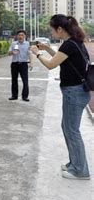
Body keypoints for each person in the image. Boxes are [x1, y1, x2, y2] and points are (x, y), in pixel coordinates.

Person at [30, 14, 90, 180]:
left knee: (72, 131)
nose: (52, 32)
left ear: (60, 29)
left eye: (52, 29)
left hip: (74, 93)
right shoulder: (73, 42)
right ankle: (75, 163)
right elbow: (61, 57)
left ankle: (80, 170)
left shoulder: (69, 45)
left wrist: (36, 53)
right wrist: (47, 49)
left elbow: (51, 64)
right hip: (77, 91)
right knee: (67, 128)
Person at [8, 30, 33, 101]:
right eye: (19, 35)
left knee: (25, 81)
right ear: (17, 36)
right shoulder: (14, 44)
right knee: (14, 80)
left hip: (24, 64)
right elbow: (9, 53)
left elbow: (30, 54)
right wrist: (13, 52)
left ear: (25, 36)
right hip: (14, 64)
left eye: (22, 35)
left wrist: (31, 63)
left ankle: (25, 96)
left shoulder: (27, 44)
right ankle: (14, 95)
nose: (20, 36)